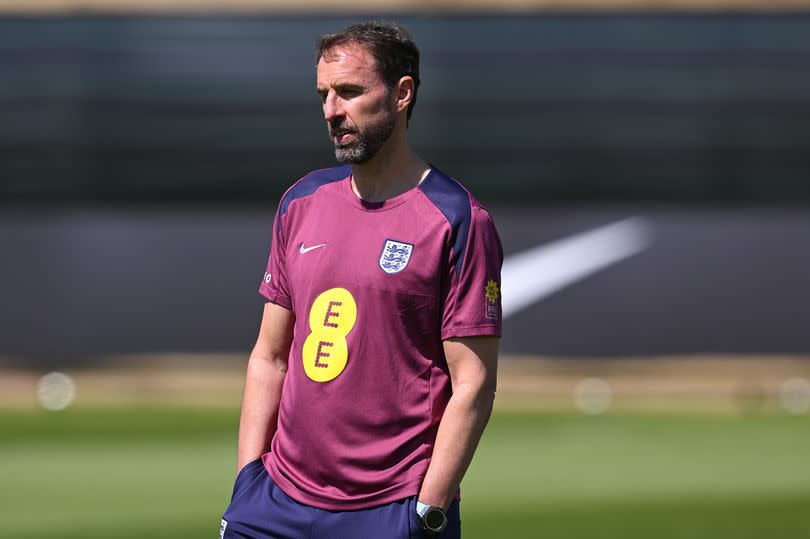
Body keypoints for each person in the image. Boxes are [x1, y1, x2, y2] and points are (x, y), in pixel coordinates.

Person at [220, 21, 502, 539]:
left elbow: (474, 383)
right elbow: (270, 355)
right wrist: (247, 481)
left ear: (401, 94)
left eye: (349, 92)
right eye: (324, 94)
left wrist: (429, 510)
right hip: (275, 502)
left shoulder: (457, 218)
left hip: (390, 511)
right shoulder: (300, 202)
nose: (332, 110)